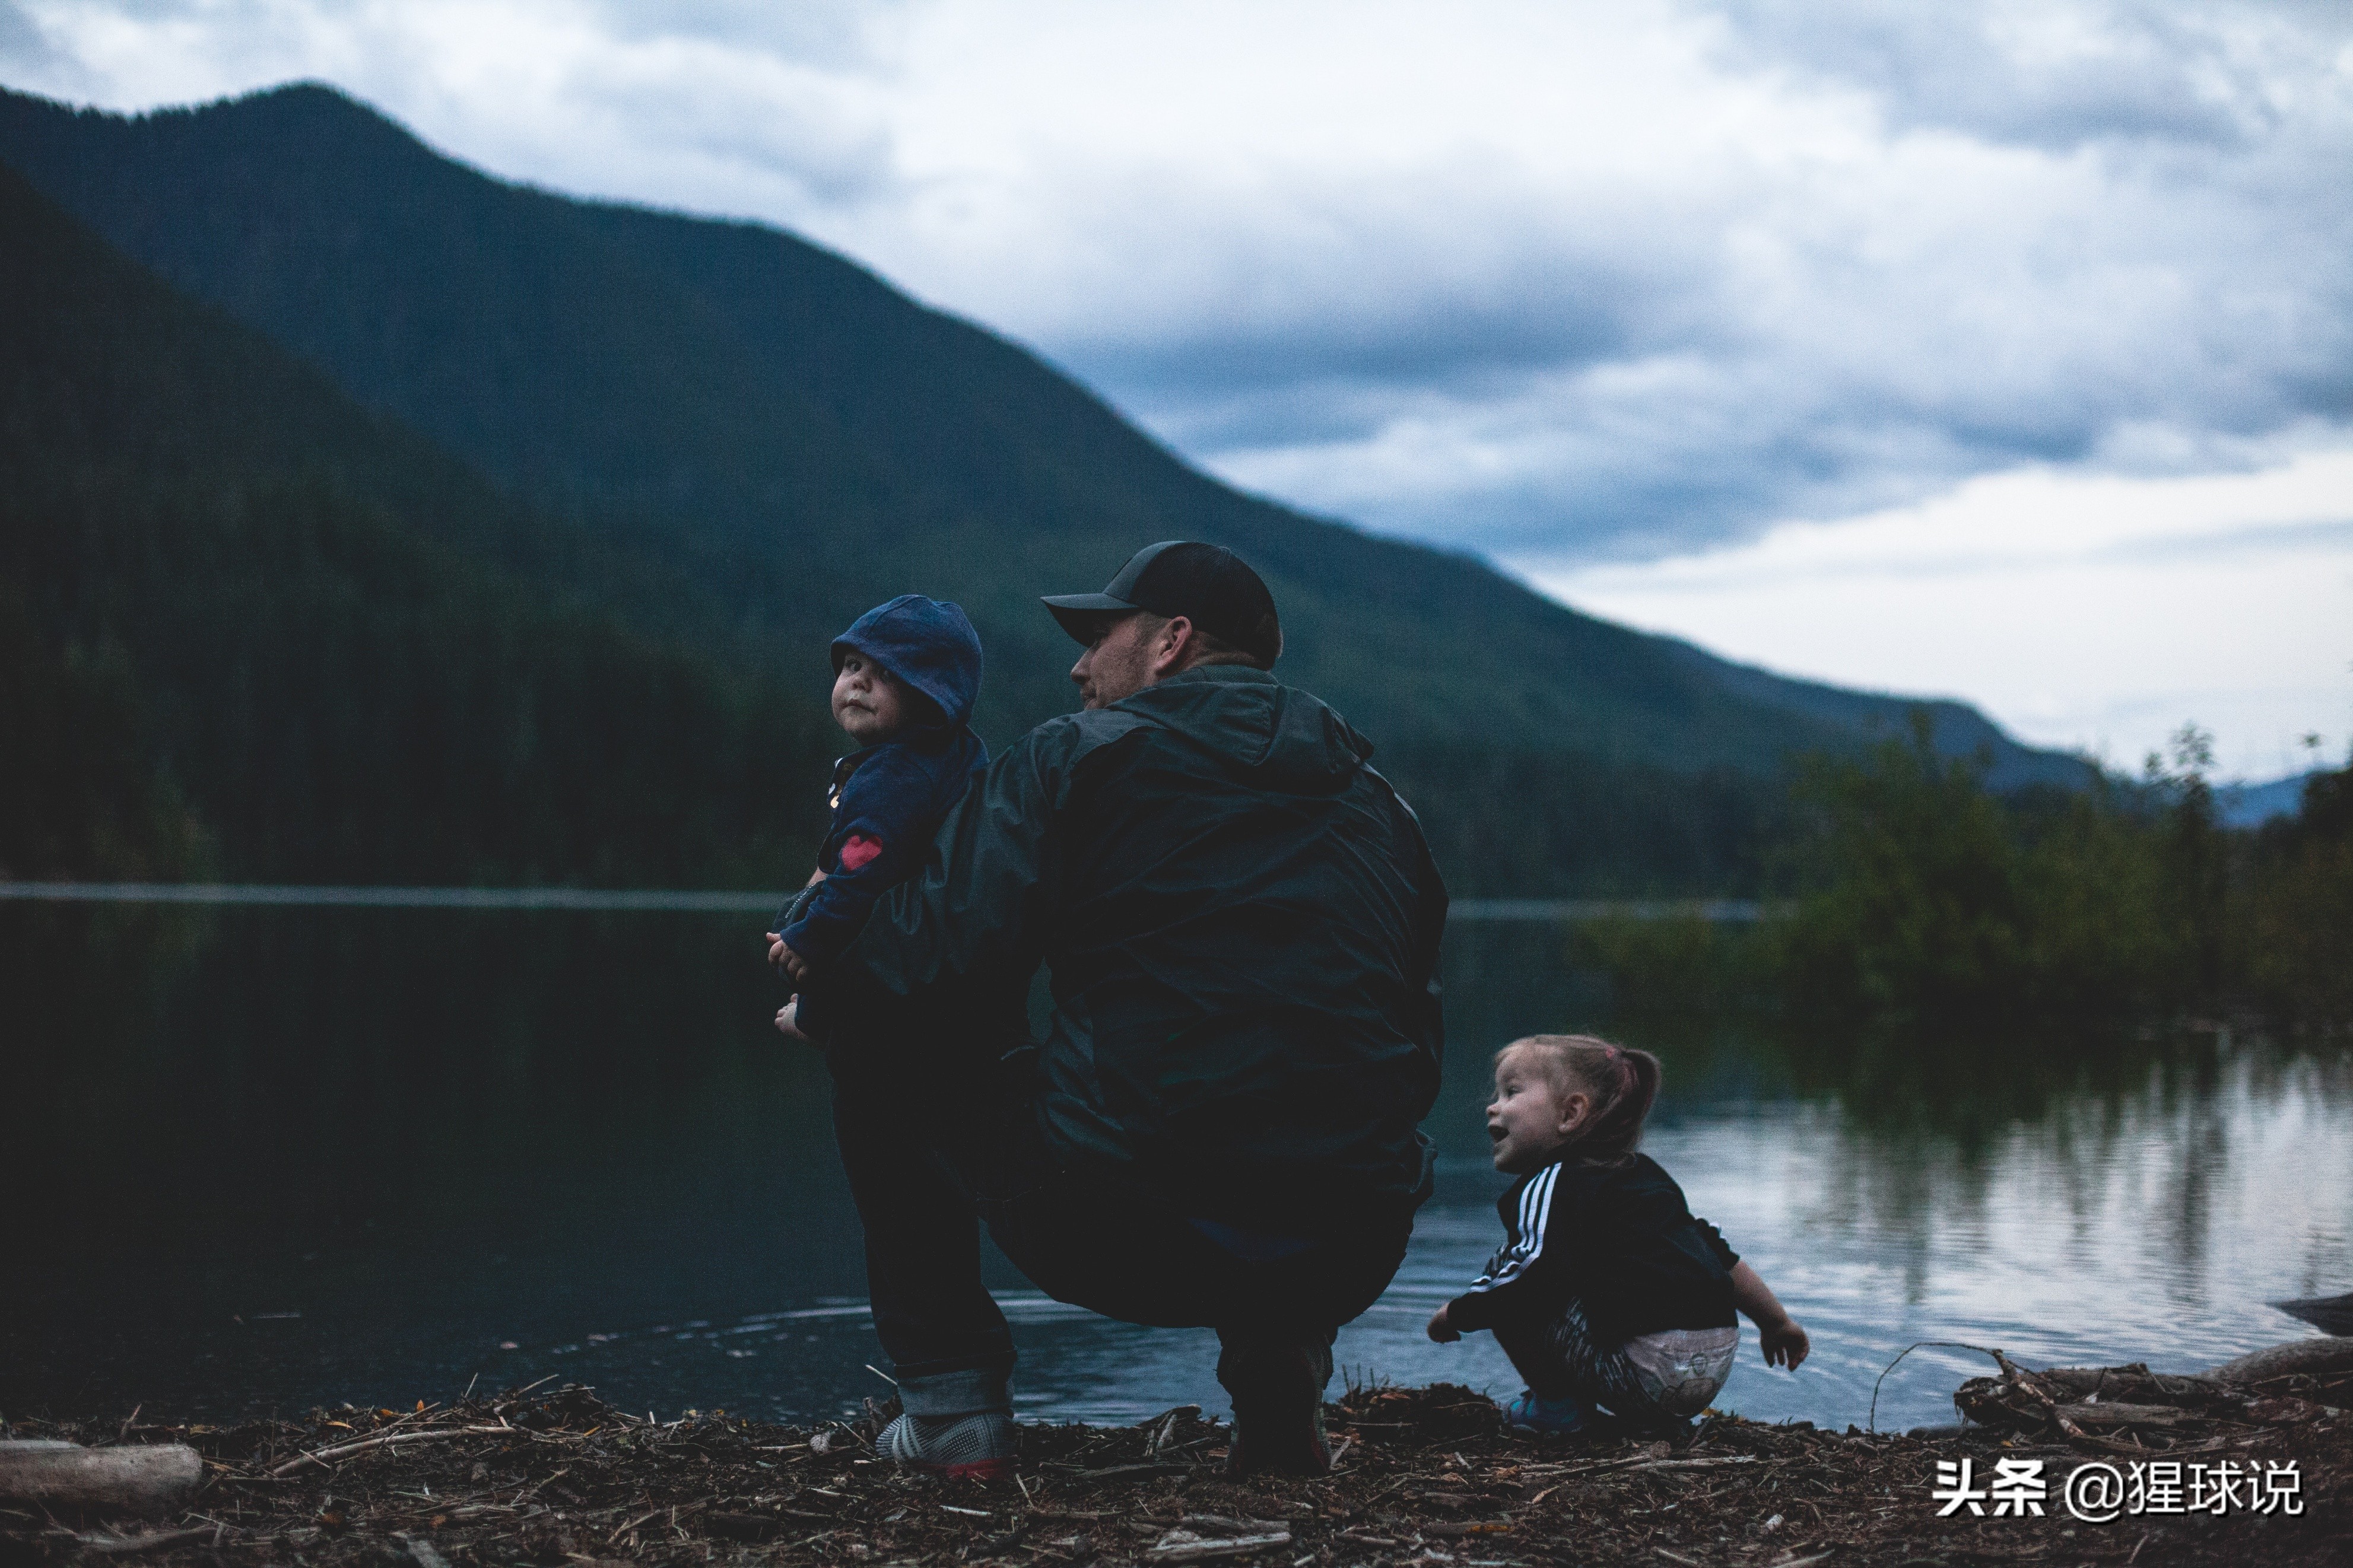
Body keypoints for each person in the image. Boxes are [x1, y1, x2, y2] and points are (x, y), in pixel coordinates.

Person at [779, 540, 1447, 1480]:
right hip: (1352, 1239)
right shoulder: (1382, 805)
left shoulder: (1072, 758)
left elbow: (921, 957)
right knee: (1294, 1078)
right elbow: (1416, 1029)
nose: (1078, 665)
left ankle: (951, 1408)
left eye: (1098, 636)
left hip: (1132, 1225)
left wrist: (821, 960)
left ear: (1171, 641)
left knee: (877, 1021)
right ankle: (1278, 1363)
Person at [1425, 1033, 1809, 1439]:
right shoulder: (1646, 1176)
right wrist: (1776, 1322)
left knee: (1512, 1265)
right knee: (1567, 1271)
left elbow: (1529, 1281)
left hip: (1641, 1373)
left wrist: (1457, 1313)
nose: (1492, 1106)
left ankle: (1556, 1409)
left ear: (1570, 1113)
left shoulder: (1551, 1183)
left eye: (1511, 1092)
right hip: (1707, 1373)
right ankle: (1656, 1420)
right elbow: (1718, 1256)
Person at [764, 594, 987, 1044]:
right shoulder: (954, 756)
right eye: (852, 665)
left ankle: (816, 1018)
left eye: (887, 673)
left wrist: (809, 938)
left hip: (896, 964)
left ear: (931, 696)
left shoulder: (893, 779)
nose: (859, 682)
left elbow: (860, 879)